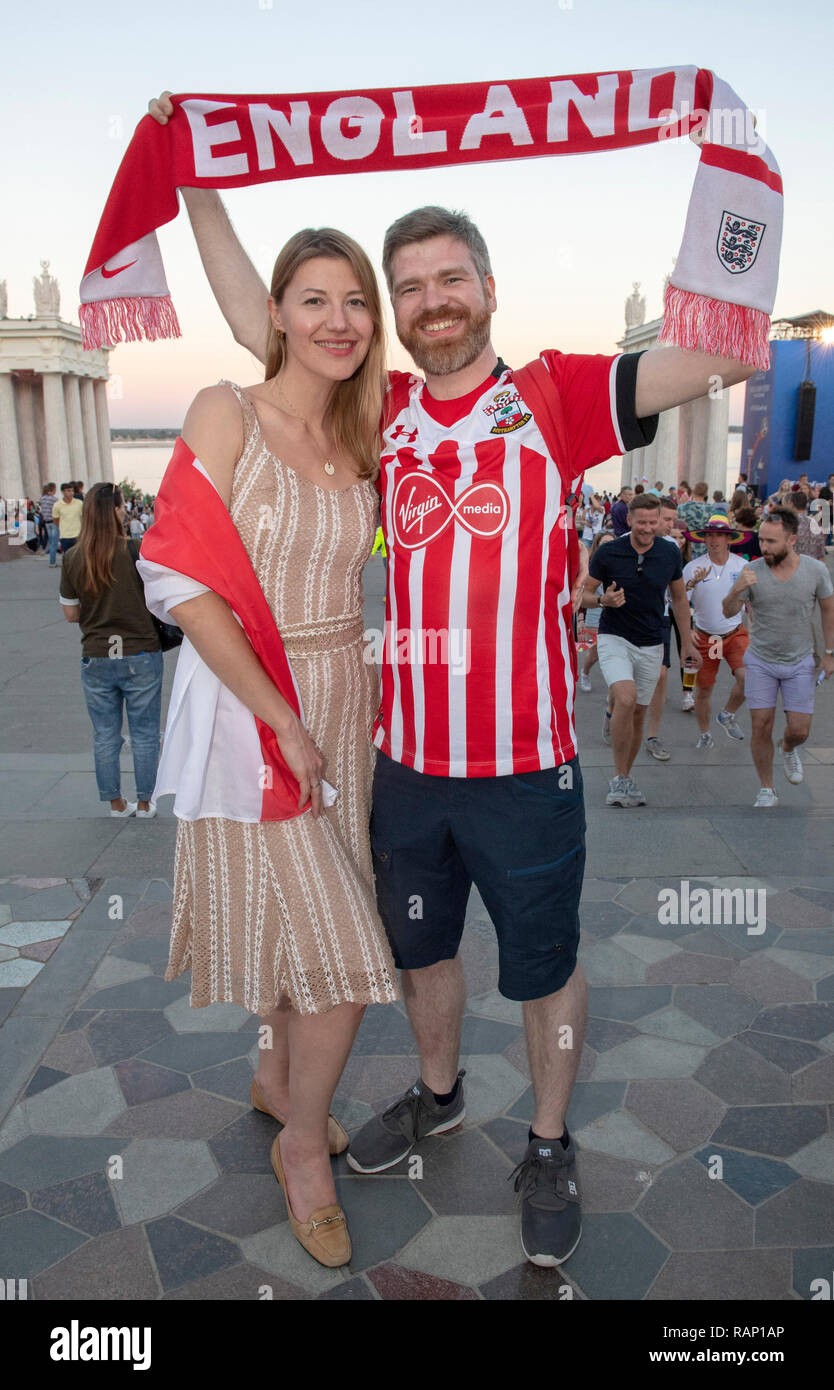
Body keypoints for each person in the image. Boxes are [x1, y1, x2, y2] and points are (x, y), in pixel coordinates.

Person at [146, 85, 762, 1269]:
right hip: (403, 763)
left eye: (450, 278)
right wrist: (196, 179)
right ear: (395, 313)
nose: (431, 301)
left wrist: (738, 192)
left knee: (542, 966)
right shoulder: (376, 416)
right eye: (409, 285)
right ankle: (435, 1093)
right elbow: (258, 323)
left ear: (487, 288)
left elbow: (715, 347)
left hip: (526, 764)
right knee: (420, 955)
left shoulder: (554, 398)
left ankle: (547, 1137)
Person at [137, 226, 401, 1269]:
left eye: (355, 301)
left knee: (309, 924)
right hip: (255, 708)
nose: (336, 319)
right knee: (342, 956)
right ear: (276, 315)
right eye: (311, 299)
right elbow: (180, 576)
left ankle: (275, 1080)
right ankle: (303, 1146)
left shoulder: (361, 429)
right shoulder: (224, 409)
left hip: (343, 700)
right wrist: (200, 186)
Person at [586, 493, 700, 806]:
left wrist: (687, 642)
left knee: (637, 713)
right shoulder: (609, 552)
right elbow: (581, 594)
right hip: (615, 636)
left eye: (654, 522)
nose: (648, 528)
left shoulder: (669, 552)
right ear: (630, 521)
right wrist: (602, 601)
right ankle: (618, 778)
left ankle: (624, 777)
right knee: (626, 697)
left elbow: (679, 599)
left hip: (652, 640)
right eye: (642, 523)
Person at [58, 483, 163, 818]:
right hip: (140, 652)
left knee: (105, 735)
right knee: (145, 733)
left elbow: (70, 613)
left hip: (97, 655)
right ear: (117, 511)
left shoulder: (73, 556)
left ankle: (116, 804)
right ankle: (145, 803)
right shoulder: (136, 549)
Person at [722, 507, 834, 807]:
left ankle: (787, 748)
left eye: (772, 542)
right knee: (760, 725)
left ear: (792, 539)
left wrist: (829, 654)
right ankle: (767, 788)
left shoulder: (815, 571)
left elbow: (828, 609)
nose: (765, 548)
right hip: (760, 659)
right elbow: (728, 611)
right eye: (762, 540)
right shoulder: (752, 572)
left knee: (799, 730)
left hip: (799, 661)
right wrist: (737, 591)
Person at [683, 513, 750, 748]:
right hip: (707, 639)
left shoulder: (742, 566)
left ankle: (727, 714)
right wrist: (687, 630)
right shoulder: (694, 567)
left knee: (748, 679)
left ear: (728, 538)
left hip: (735, 634)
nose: (714, 540)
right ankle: (705, 734)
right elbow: (678, 601)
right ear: (704, 539)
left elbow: (751, 600)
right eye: (710, 536)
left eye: (720, 535)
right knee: (704, 690)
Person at [644, 496, 685, 761]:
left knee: (660, 675)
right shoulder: (625, 542)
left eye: (673, 519)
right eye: (667, 519)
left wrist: (688, 636)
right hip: (627, 621)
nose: (672, 525)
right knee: (624, 690)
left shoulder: (671, 547)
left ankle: (652, 736)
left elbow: (678, 593)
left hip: (661, 618)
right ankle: (612, 711)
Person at [577, 531, 614, 692]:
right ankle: (585, 672)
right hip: (594, 611)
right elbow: (581, 594)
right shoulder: (590, 565)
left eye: (610, 543)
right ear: (597, 545)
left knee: (612, 651)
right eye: (603, 543)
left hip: (614, 613)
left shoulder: (620, 564)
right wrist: (580, 618)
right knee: (595, 654)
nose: (607, 546)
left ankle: (615, 685)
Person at [787, 489, 826, 562]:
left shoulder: (788, 524)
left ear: (792, 505)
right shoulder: (815, 524)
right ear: (807, 505)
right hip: (813, 567)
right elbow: (821, 554)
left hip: (793, 568)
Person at [677, 481, 710, 557]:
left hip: (686, 548)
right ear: (705, 494)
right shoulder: (711, 510)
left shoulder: (682, 508)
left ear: (693, 492)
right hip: (704, 548)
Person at [52, 481, 83, 555]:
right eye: (68, 491)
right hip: (65, 536)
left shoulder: (79, 503)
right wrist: (65, 526)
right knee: (68, 558)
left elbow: (84, 518)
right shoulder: (57, 505)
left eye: (72, 491)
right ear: (62, 492)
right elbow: (56, 520)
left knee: (79, 557)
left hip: (78, 535)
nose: (71, 493)